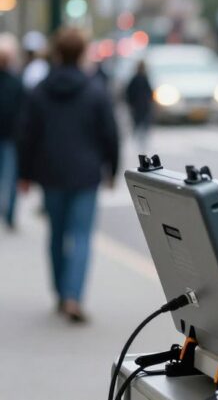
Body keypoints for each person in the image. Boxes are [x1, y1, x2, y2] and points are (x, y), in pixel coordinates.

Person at [17, 27, 120, 323]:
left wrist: (24, 174)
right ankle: (74, 295)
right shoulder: (95, 90)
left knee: (56, 234)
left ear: (57, 53)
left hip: (50, 173)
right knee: (82, 236)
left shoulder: (40, 91)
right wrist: (111, 168)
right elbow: (109, 134)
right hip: (86, 173)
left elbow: (27, 135)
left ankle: (61, 292)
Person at [0, 33, 23, 229]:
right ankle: (9, 213)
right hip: (11, 138)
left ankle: (7, 211)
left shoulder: (17, 82)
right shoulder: (17, 83)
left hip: (10, 138)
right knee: (10, 177)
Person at [125, 61, 154, 154]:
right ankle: (139, 140)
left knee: (139, 124)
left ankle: (139, 140)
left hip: (139, 106)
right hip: (141, 106)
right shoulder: (142, 79)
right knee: (141, 124)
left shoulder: (137, 79)